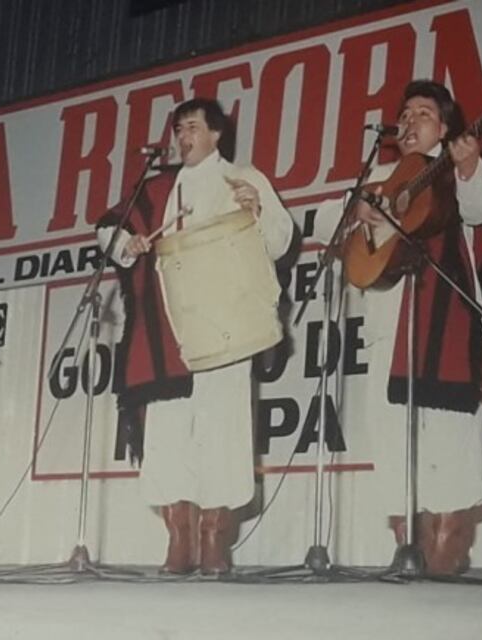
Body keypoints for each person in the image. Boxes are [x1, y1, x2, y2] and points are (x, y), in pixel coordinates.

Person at [313, 80, 482, 574]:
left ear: (445, 128)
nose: (410, 120)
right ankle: (407, 560)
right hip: (388, 328)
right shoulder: (381, 176)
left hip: (448, 330)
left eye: (424, 113)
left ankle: (442, 566)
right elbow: (322, 223)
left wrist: (469, 166)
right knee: (394, 447)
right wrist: (359, 207)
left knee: (450, 451)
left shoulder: (458, 169)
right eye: (405, 113)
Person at [96, 98, 294, 575]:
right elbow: (108, 229)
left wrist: (257, 210)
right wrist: (128, 244)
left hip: (225, 325)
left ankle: (213, 540)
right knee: (167, 435)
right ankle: (178, 541)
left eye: (192, 127)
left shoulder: (243, 177)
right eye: (178, 130)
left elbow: (280, 240)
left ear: (216, 134)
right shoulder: (157, 186)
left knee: (222, 431)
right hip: (167, 328)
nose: (183, 138)